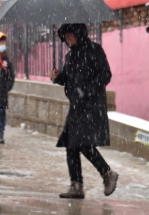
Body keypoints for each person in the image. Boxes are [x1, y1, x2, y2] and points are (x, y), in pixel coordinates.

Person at [50, 24, 118, 199]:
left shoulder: (94, 50)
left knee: (81, 143)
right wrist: (58, 77)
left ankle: (106, 173)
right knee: (72, 143)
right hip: (77, 105)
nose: (67, 39)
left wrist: (87, 90)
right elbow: (68, 79)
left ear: (78, 33)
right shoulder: (71, 55)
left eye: (69, 35)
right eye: (64, 37)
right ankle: (77, 185)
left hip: (92, 106)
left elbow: (105, 75)